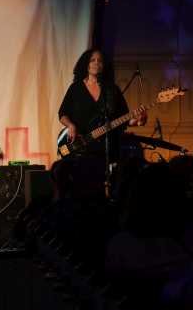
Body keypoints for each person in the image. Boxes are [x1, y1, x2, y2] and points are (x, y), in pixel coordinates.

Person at [53, 49, 146, 199]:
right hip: (80, 151)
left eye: (100, 61)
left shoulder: (111, 89)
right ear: (86, 64)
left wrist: (139, 120)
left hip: (106, 153)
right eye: (93, 60)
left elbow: (125, 118)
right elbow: (62, 113)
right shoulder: (76, 88)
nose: (97, 63)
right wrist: (71, 125)